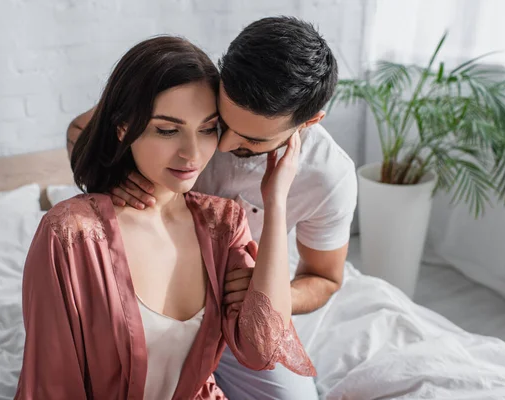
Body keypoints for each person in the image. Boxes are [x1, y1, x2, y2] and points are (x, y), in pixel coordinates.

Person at [67, 17, 357, 399]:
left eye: (251, 139)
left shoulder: (329, 176)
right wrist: (115, 175)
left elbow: (325, 278)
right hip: (148, 294)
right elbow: (80, 131)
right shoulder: (190, 96)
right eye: (218, 124)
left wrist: (263, 293)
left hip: (236, 314)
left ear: (309, 122)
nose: (221, 146)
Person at [16, 36, 316, 400]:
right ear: (124, 128)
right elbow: (53, 386)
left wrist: (276, 200)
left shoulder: (223, 224)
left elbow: (261, 349)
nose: (193, 153)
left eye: (207, 129)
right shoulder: (71, 235)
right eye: (167, 129)